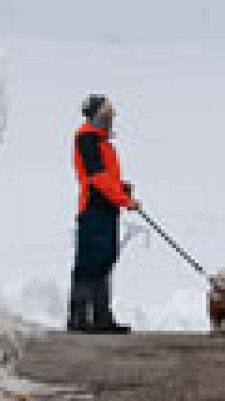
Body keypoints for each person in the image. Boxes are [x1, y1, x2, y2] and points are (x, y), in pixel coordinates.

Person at [68, 94, 139, 333]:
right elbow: (96, 177)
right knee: (89, 263)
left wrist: (121, 189)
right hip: (93, 209)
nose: (113, 115)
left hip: (107, 208)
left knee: (104, 261)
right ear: (97, 113)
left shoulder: (102, 141)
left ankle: (101, 317)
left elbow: (106, 177)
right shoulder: (87, 138)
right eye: (109, 110)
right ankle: (79, 318)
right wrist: (123, 198)